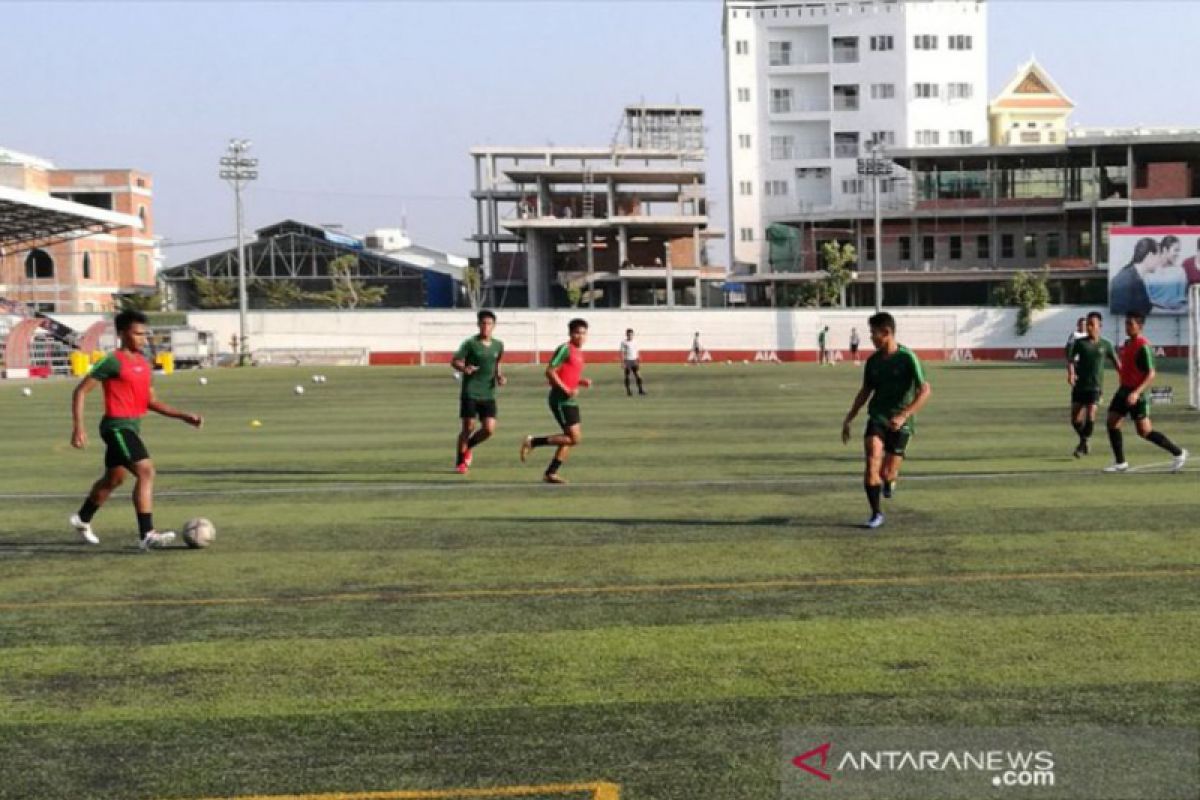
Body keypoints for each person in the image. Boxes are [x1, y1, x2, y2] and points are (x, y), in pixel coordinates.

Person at [69, 310, 203, 549]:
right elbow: (80, 391)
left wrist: (183, 415)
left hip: (132, 427)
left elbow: (150, 401)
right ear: (122, 334)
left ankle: (82, 518)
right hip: (116, 427)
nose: (143, 338)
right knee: (146, 471)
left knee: (114, 479)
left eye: (144, 334)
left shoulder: (143, 362)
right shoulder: (111, 360)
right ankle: (147, 533)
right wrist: (78, 428)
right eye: (137, 333)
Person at [841, 312, 932, 529]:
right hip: (878, 417)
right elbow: (865, 391)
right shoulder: (872, 362)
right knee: (872, 458)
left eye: (873, 333)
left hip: (901, 422)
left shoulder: (907, 357)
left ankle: (890, 480)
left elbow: (925, 390)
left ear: (887, 333)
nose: (871, 337)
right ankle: (876, 513)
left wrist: (903, 415)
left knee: (887, 473)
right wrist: (849, 417)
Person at [1103, 312, 1188, 473]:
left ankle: (1178, 452)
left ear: (1140, 326)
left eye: (1130, 324)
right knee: (1112, 421)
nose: (1127, 327)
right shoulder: (1127, 343)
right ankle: (1120, 462)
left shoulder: (1144, 347)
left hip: (1137, 394)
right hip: (1123, 391)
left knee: (1144, 431)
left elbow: (1151, 374)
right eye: (1126, 324)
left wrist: (1136, 393)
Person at [520, 318, 592, 484]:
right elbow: (550, 371)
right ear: (570, 333)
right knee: (574, 438)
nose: (580, 336)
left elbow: (567, 374)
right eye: (577, 333)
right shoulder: (565, 349)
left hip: (570, 400)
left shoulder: (579, 352)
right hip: (561, 400)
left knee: (569, 438)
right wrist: (566, 390)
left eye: (583, 333)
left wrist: (581, 382)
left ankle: (551, 473)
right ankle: (532, 442)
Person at [450, 309, 505, 474]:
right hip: (471, 391)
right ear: (478, 324)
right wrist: (464, 368)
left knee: (489, 429)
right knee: (468, 427)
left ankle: (468, 447)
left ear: (494, 326)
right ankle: (460, 462)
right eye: (483, 323)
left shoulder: (498, 345)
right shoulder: (470, 343)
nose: (486, 326)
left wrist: (500, 376)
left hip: (488, 393)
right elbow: (455, 361)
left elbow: (497, 364)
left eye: (489, 323)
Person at [1066, 311, 1119, 458]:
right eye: (1087, 324)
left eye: (1091, 324)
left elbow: (1117, 363)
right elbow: (1070, 360)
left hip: (1095, 387)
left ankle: (1082, 445)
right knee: (1075, 419)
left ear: (1099, 326)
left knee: (1091, 415)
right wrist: (1071, 373)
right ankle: (1085, 439)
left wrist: (1124, 378)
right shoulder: (1080, 343)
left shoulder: (1106, 344)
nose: (1088, 327)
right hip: (1080, 386)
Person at [1109, 237, 1160, 317]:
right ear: (1150, 255)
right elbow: (1120, 311)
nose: (1159, 261)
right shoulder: (1125, 279)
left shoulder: (1135, 276)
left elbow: (1145, 306)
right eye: (1158, 256)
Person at [1146, 235, 1186, 311]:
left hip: (1174, 316)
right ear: (1165, 250)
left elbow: (1181, 299)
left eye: (1179, 251)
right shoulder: (1149, 271)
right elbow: (1146, 299)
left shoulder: (1180, 271)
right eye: (1176, 250)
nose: (1178, 254)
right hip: (1154, 316)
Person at [620, 328, 645, 396]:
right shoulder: (623, 342)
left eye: (631, 335)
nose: (630, 336)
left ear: (633, 335)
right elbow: (621, 353)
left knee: (638, 376)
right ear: (626, 335)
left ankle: (640, 390)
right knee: (627, 376)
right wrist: (622, 362)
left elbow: (637, 351)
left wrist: (639, 360)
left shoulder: (635, 342)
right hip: (627, 360)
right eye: (628, 335)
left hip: (634, 360)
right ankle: (628, 391)